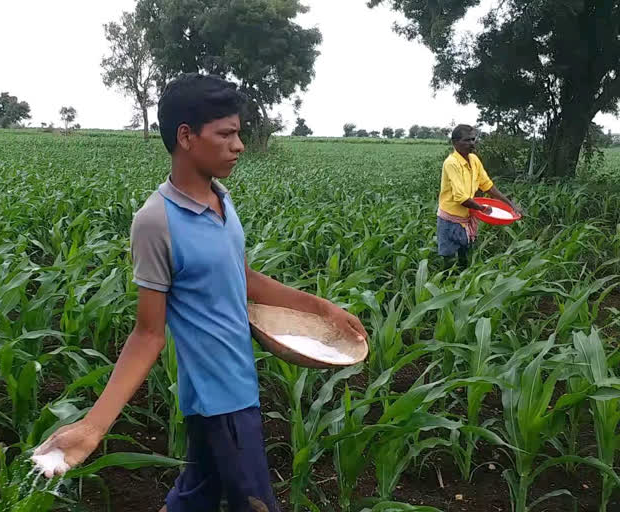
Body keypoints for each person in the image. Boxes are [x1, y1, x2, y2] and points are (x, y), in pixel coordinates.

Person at [33, 73, 368, 512]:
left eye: (239, 133)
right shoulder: (156, 222)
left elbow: (241, 277)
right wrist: (94, 427)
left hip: (240, 385)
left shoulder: (220, 199)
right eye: (226, 134)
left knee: (196, 497)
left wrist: (322, 307)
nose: (239, 145)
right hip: (218, 402)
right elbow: (147, 335)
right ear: (186, 137)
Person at [437, 124, 522, 268]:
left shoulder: (474, 160)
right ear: (455, 143)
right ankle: (447, 286)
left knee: (465, 257)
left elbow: (487, 185)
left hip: (467, 217)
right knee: (449, 260)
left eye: (473, 139)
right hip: (450, 220)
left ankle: (464, 284)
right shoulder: (451, 163)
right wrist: (482, 208)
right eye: (467, 140)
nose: (471, 143)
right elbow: (461, 198)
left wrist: (510, 204)